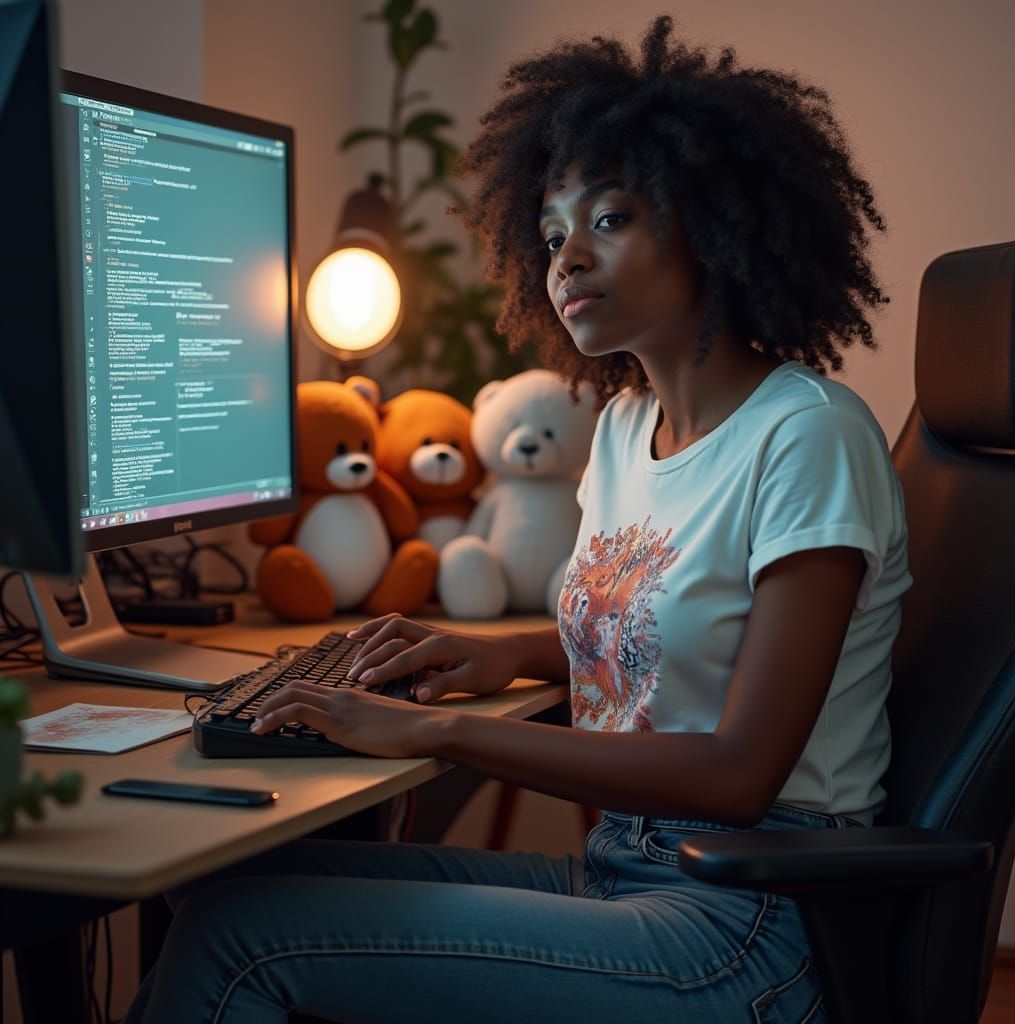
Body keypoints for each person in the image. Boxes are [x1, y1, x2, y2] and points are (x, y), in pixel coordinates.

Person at [127, 15, 911, 1023]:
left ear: (714, 219)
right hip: (628, 870)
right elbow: (667, 631)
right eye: (550, 234)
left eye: (610, 219)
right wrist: (508, 657)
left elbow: (740, 769)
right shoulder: (626, 429)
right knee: (217, 895)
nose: (567, 257)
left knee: (239, 944)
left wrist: (439, 728)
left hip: (749, 919)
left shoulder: (807, 435)